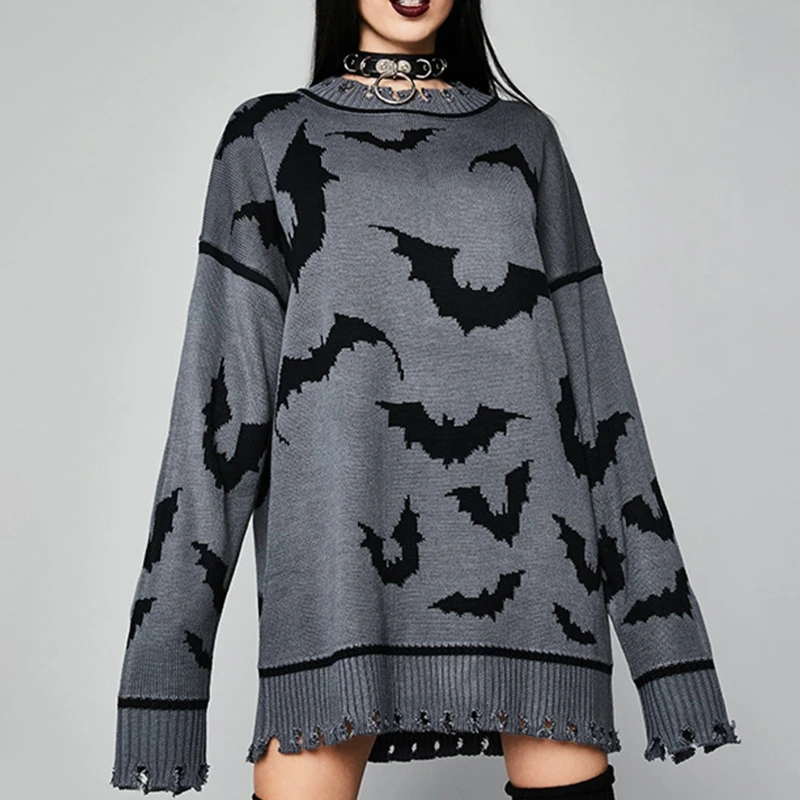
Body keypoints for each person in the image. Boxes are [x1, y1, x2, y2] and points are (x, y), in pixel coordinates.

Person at [110, 1, 741, 798]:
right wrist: (164, 675)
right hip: (336, 590)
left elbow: (598, 391)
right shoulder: (266, 138)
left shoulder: (524, 139)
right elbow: (218, 408)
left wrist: (670, 654)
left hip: (537, 586)